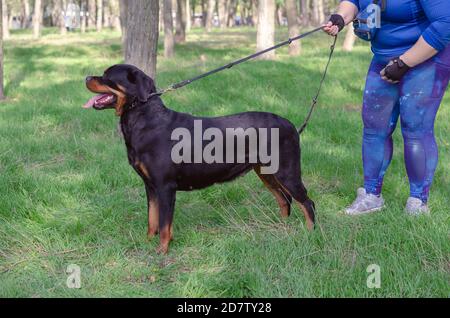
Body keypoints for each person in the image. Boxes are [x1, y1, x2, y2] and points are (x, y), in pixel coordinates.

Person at [324, 0, 450, 215]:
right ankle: (372, 196)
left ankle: (417, 203)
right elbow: (354, 1)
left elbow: (445, 22)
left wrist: (404, 63)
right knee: (374, 127)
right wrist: (341, 17)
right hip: (383, 57)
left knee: (415, 128)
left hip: (427, 57)